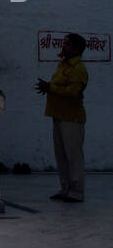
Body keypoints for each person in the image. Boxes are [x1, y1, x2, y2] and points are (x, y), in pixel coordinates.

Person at [36, 32, 88, 203]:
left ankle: (77, 191)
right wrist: (49, 88)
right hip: (58, 115)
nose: (63, 47)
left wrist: (50, 88)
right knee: (62, 155)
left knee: (73, 156)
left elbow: (73, 91)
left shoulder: (78, 68)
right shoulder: (63, 65)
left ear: (77, 49)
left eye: (67, 44)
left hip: (71, 118)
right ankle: (65, 188)